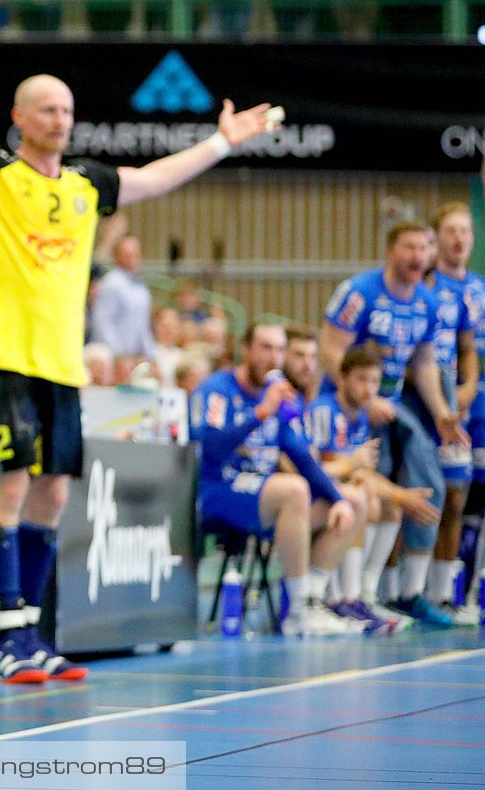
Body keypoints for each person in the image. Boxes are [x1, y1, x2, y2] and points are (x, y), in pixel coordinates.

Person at [0, 77, 276, 682]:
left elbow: (155, 178)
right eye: (47, 109)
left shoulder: (88, 182)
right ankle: (6, 639)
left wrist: (223, 142)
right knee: (9, 488)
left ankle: (32, 634)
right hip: (6, 361)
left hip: (65, 368)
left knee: (54, 495)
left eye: (67, 109)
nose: (59, 119)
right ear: (20, 116)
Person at [320, 221, 469, 627]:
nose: (418, 256)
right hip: (348, 403)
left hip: (396, 405)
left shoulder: (429, 303)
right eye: (409, 247)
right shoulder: (359, 292)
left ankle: (398, 592)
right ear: (390, 251)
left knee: (426, 485)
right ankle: (342, 595)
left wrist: (440, 412)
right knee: (367, 485)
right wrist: (362, 399)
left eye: (425, 248)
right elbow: (330, 351)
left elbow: (423, 363)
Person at [189, 323, 364, 636]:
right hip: (221, 492)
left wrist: (337, 499)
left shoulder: (282, 397)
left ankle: (310, 600)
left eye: (279, 349)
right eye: (265, 347)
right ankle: (297, 612)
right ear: (246, 349)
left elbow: (304, 459)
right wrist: (260, 413)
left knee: (354, 500)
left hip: (265, 496)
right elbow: (208, 449)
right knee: (293, 490)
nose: (273, 356)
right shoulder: (217, 390)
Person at [295, 336, 437, 631]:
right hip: (313, 493)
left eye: (375, 381)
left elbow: (359, 470)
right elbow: (331, 467)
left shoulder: (359, 416)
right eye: (361, 379)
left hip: (339, 488)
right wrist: (397, 492)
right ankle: (340, 597)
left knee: (389, 505)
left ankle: (365, 595)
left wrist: (399, 496)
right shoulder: (325, 410)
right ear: (343, 378)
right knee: (365, 499)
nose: (369, 389)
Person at [426, 203, 483, 624]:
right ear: (437, 237)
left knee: (464, 499)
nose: (459, 239)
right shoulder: (425, 284)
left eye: (466, 231)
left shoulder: (479, 289)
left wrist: (466, 388)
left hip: (473, 405)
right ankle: (422, 590)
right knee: (439, 495)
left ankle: (454, 593)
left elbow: (470, 349)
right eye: (451, 231)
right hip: (432, 400)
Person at [90, 235, 156, 367]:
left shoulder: (140, 286)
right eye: (127, 254)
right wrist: (117, 356)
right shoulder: (110, 284)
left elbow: (143, 325)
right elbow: (103, 323)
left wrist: (151, 356)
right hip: (115, 358)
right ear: (117, 256)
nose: (132, 259)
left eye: (135, 254)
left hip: (136, 358)